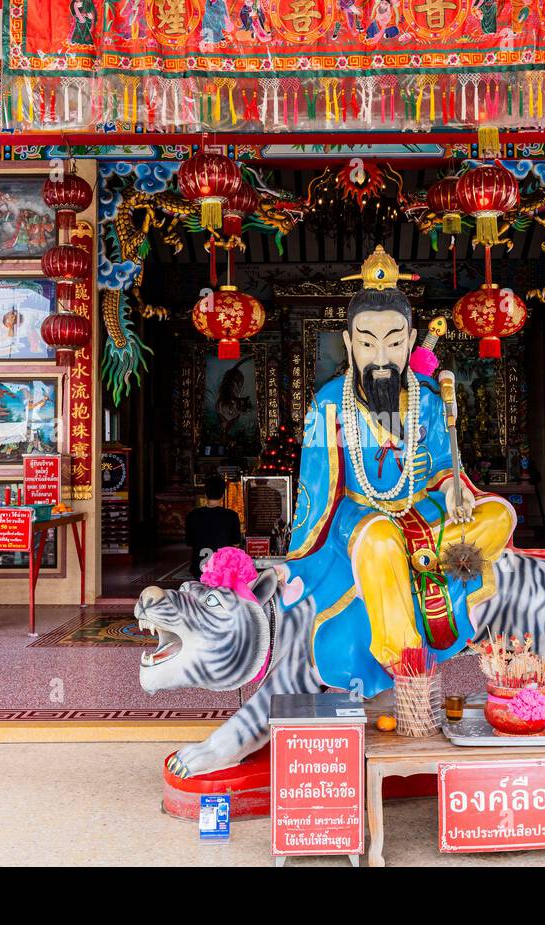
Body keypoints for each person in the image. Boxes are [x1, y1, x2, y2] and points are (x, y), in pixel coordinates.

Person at [287, 245, 516, 697]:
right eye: (367, 342)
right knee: (378, 541)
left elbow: (445, 464)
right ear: (349, 342)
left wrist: (454, 490)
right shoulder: (329, 403)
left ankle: (416, 572)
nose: (381, 355)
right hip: (361, 512)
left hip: (422, 509)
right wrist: (297, 557)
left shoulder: (428, 399)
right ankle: (406, 661)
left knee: (499, 515)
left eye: (394, 341)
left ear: (411, 340)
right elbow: (315, 488)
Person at [185, 474, 242, 578]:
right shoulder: (231, 515)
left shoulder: (192, 515)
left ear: (205, 495)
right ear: (223, 495)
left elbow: (189, 542)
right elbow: (236, 542)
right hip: (223, 571)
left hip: (199, 570)